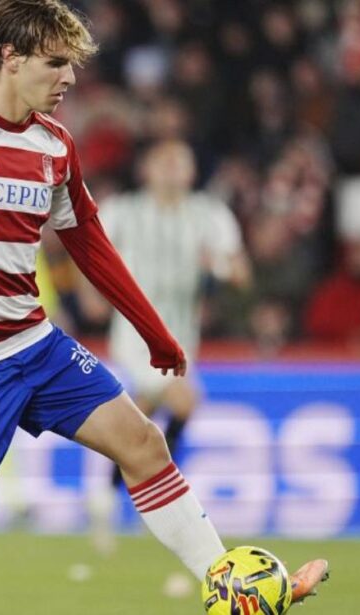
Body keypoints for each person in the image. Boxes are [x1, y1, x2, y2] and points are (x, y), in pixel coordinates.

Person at [0, 2, 329, 613]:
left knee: (143, 443)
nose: (68, 78)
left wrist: (153, 331)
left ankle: (229, 585)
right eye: (55, 63)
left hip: (32, 343)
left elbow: (90, 244)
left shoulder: (55, 144)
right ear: (11, 58)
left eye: (72, 66)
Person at [88, 138, 251, 555]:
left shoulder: (209, 215)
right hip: (135, 332)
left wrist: (218, 266)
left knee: (139, 421)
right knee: (184, 400)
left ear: (192, 171)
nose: (172, 168)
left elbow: (240, 271)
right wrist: (91, 296)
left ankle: (108, 493)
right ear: (146, 169)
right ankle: (159, 502)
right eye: (164, 161)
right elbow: (87, 251)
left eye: (181, 161)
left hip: (181, 336)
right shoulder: (123, 211)